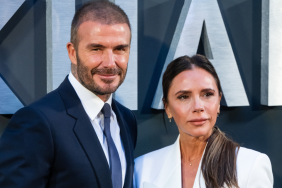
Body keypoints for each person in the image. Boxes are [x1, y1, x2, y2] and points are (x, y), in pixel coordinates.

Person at [0, 1, 137, 188]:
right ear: (72, 53)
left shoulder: (127, 119)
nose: (110, 63)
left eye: (120, 49)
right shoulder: (37, 122)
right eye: (96, 49)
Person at [134, 55, 273, 188]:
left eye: (207, 94)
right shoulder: (142, 168)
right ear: (167, 107)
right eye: (183, 97)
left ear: (218, 102)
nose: (198, 107)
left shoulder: (251, 166)